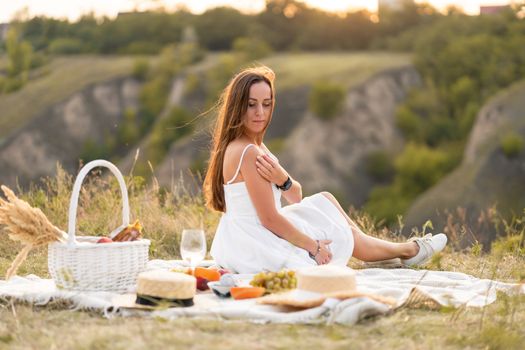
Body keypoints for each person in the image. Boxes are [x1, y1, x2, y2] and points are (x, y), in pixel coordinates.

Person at [204, 66, 447, 274]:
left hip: (246, 234)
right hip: (254, 242)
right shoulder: (248, 152)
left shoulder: (252, 144)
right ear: (238, 106)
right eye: (251, 105)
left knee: (325, 201)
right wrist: (313, 247)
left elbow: (294, 195)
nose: (260, 113)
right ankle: (408, 250)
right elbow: (269, 219)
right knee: (333, 227)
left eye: (266, 104)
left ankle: (390, 252)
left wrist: (283, 178)